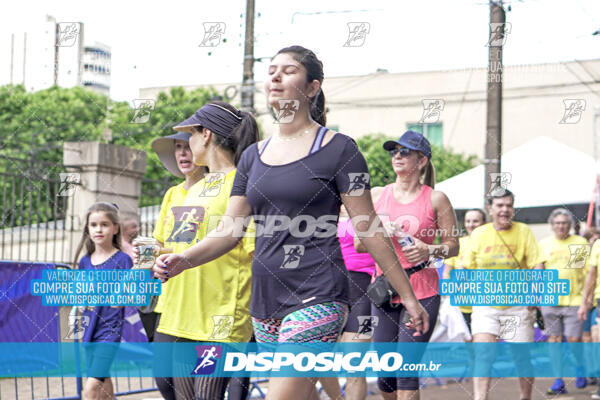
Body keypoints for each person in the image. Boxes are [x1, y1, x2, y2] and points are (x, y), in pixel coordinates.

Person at [154, 45, 430, 400]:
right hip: (265, 303)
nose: (275, 76)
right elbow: (229, 231)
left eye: (289, 70)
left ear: (312, 87)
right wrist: (184, 259)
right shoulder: (252, 158)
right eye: (271, 70)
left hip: (318, 297)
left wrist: (408, 296)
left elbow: (369, 227)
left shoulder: (341, 150)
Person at [153, 101, 258, 400]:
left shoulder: (243, 182)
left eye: (191, 135)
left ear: (206, 135)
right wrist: (158, 259)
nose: (187, 144)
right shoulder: (194, 189)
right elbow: (179, 245)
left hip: (219, 315)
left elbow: (252, 251)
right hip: (183, 313)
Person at [355, 130, 459, 400]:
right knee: (385, 376)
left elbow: (454, 246)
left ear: (421, 161)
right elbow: (358, 244)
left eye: (404, 152)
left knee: (406, 370)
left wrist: (429, 249)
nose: (397, 156)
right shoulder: (378, 195)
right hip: (385, 290)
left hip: (423, 291)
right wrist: (380, 231)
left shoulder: (436, 199)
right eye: (393, 152)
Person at [138, 131, 207, 396]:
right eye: (177, 148)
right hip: (170, 301)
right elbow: (160, 242)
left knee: (200, 387)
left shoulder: (219, 190)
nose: (182, 153)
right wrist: (145, 258)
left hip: (204, 301)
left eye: (187, 147)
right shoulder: (172, 194)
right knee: (164, 379)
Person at [468, 189, 544, 400]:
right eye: (500, 205)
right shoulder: (479, 234)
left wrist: (534, 294)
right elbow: (467, 268)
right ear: (490, 208)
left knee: (521, 357)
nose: (505, 210)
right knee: (484, 354)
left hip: (518, 306)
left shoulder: (523, 231)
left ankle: (525, 396)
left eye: (509, 205)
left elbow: (538, 263)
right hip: (486, 305)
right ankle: (480, 398)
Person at [72, 202, 133, 400]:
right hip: (90, 329)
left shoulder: (123, 260)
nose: (98, 229)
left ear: (115, 228)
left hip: (109, 331)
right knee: (104, 383)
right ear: (87, 229)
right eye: (93, 225)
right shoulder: (84, 262)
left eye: (104, 224)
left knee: (90, 388)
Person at [539, 208, 590, 394]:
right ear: (552, 225)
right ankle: (558, 381)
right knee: (554, 340)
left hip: (574, 299)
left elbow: (583, 273)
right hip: (549, 300)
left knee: (574, 339)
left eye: (564, 223)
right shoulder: (544, 244)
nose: (561, 226)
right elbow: (539, 271)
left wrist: (585, 300)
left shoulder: (579, 242)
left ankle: (579, 368)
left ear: (570, 225)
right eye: (557, 223)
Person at [444, 209, 486, 331]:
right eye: (468, 221)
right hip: (460, 306)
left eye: (475, 221)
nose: (471, 225)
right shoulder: (458, 244)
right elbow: (447, 272)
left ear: (484, 222)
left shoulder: (489, 243)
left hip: (484, 306)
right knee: (466, 343)